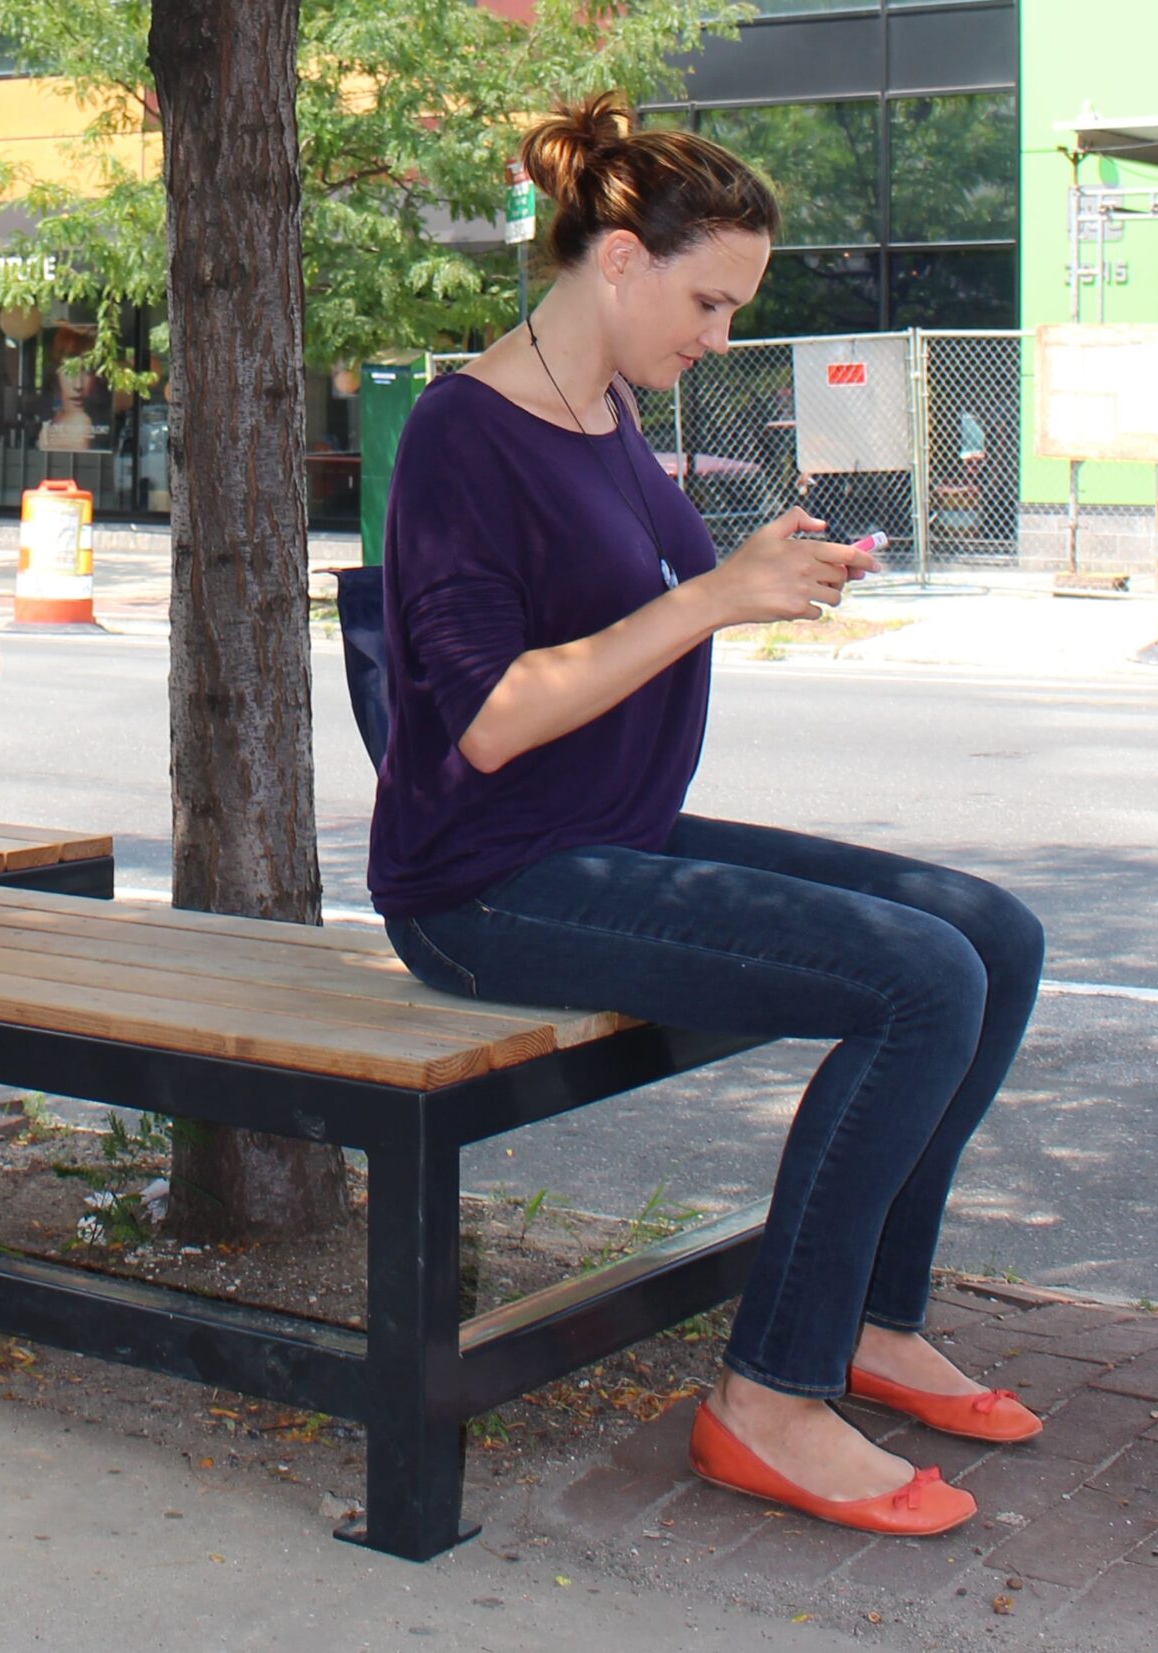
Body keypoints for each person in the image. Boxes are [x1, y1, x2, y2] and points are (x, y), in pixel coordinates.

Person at [368, 95, 1044, 1538]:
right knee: (920, 983)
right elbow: (488, 716)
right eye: (710, 299)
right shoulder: (459, 435)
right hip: (484, 884)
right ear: (618, 260)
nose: (721, 335)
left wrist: (755, 567)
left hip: (611, 838)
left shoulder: (607, 408)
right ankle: (770, 1400)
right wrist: (712, 595)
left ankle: (864, 1317)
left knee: (995, 931)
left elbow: (635, 607)